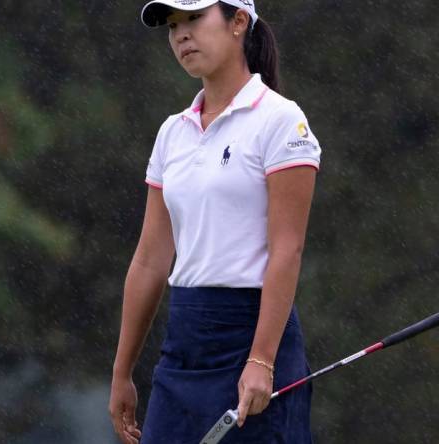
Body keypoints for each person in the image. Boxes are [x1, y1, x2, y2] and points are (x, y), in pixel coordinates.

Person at [109, 1, 322, 442]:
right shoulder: (173, 132)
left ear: (238, 22)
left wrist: (262, 359)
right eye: (172, 26)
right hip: (184, 344)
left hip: (252, 335)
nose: (181, 35)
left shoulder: (281, 120)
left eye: (193, 19)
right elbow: (150, 259)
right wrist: (122, 371)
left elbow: (287, 250)